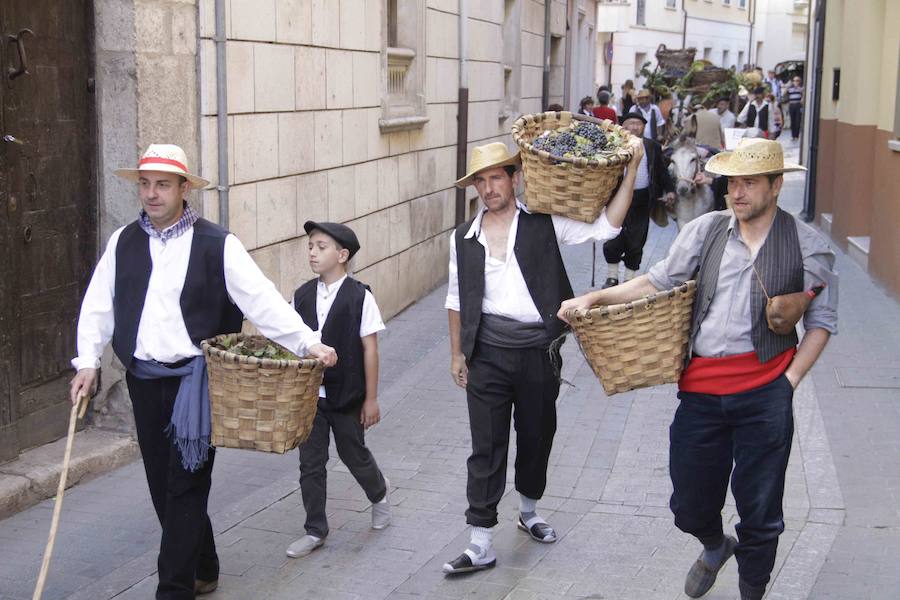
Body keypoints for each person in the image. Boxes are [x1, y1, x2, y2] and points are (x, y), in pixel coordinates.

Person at [559, 138, 838, 600]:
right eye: (732, 182)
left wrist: (788, 383)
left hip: (765, 391)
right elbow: (658, 281)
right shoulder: (707, 229)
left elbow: (821, 323)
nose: (737, 192)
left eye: (750, 183)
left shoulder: (809, 246)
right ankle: (714, 544)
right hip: (701, 392)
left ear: (776, 186)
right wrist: (595, 297)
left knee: (761, 510)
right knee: (688, 504)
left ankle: (752, 589)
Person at [69, 144, 338, 600]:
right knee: (163, 486)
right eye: (145, 184)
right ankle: (205, 565)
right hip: (144, 380)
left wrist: (306, 341)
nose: (151, 194)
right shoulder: (123, 242)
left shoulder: (217, 244)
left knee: (187, 484)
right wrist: (87, 362)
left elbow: (261, 299)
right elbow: (99, 306)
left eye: (162, 184)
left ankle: (174, 589)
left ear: (183, 189)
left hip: (197, 383)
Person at [441, 139, 643, 574]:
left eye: (497, 178)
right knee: (486, 445)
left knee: (536, 436)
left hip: (538, 352)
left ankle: (529, 511)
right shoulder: (463, 238)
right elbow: (456, 299)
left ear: (515, 179)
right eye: (481, 181)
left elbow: (607, 227)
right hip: (487, 354)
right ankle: (480, 541)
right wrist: (457, 353)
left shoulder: (543, 222)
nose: (489, 188)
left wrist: (632, 172)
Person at [286, 221, 391, 559]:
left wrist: (371, 399)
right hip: (310, 399)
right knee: (311, 463)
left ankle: (379, 493)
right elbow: (292, 344)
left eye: (321, 247)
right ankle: (315, 529)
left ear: (342, 255)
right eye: (310, 246)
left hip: (347, 395)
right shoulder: (301, 295)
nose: (312, 253)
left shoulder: (360, 296)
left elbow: (370, 349)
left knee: (353, 453)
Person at [602, 113, 675, 288]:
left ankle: (629, 278)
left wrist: (670, 190)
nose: (634, 127)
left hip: (643, 199)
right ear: (622, 126)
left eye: (638, 124)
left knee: (637, 238)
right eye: (630, 123)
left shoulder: (652, 146)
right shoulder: (614, 145)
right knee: (613, 235)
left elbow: (661, 170)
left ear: (643, 127)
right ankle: (612, 276)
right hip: (617, 198)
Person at [786, 76, 804, 140]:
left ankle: (796, 136)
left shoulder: (801, 88)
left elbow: (803, 95)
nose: (795, 82)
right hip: (791, 105)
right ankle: (793, 136)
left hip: (798, 105)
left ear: (799, 81)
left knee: (798, 120)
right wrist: (788, 86)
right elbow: (784, 93)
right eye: (794, 81)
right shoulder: (790, 89)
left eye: (797, 80)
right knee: (792, 120)